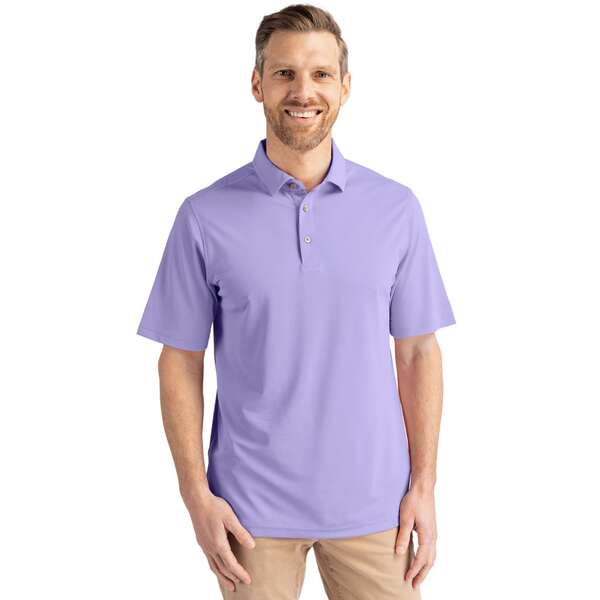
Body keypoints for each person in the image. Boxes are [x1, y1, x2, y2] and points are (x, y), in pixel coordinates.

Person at [136, 4, 456, 598]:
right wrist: (196, 496)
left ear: (345, 86)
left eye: (321, 74)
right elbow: (179, 360)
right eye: (284, 73)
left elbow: (417, 351)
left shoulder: (396, 209)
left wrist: (424, 485)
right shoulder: (204, 216)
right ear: (257, 84)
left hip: (377, 508)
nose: (303, 91)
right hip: (247, 513)